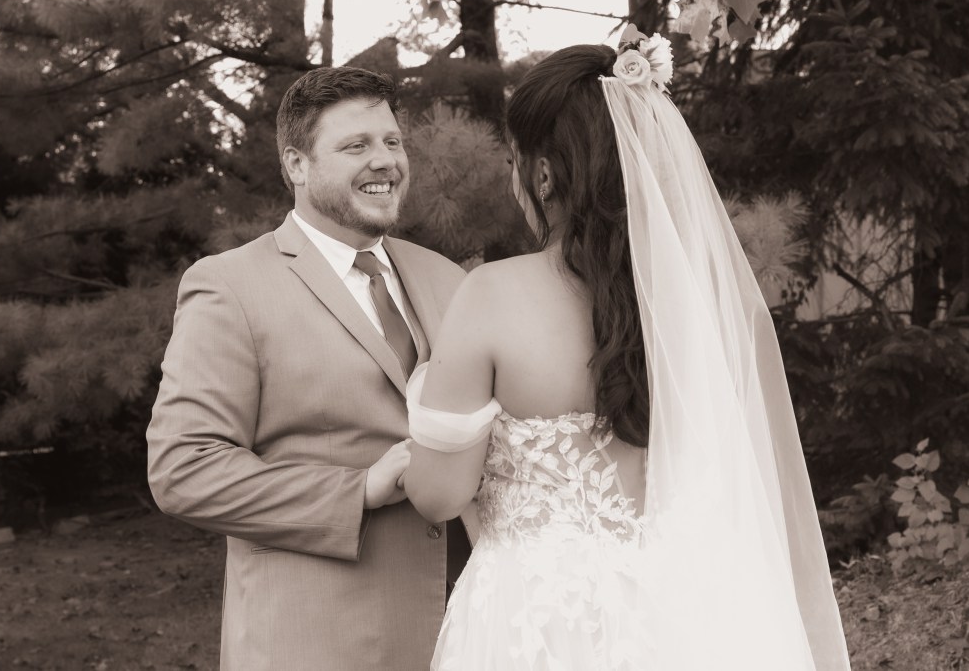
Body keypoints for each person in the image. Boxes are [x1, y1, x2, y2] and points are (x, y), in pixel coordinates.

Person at [403, 38, 853, 670]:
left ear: (542, 174)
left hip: (539, 620)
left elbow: (440, 495)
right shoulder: (698, 306)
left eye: (513, 161)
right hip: (686, 609)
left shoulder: (492, 294)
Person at [147, 66, 472, 671]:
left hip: (462, 631)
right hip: (314, 640)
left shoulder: (445, 275)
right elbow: (183, 469)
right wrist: (357, 491)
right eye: (356, 146)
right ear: (296, 165)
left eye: (392, 141)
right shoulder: (228, 286)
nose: (385, 161)